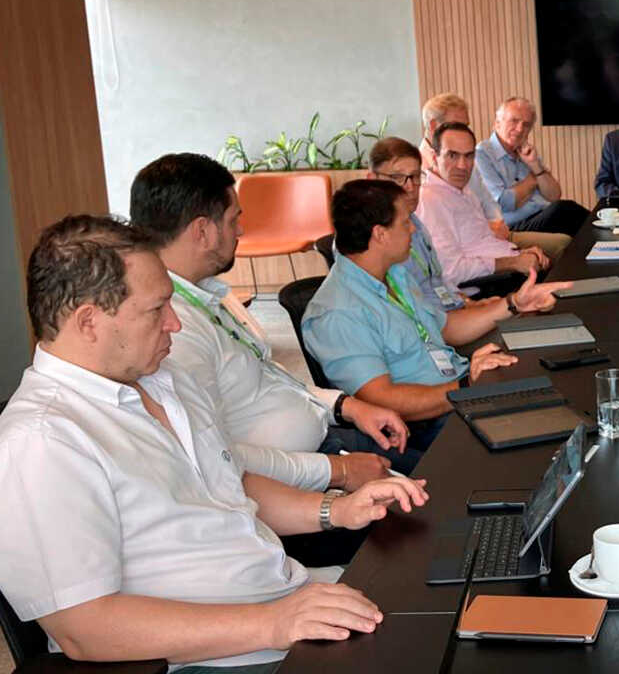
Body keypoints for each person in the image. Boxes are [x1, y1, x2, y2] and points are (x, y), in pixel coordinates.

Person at [0, 215, 428, 671]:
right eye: (156, 309)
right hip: (219, 656)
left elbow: (228, 485)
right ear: (89, 322)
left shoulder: (164, 380)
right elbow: (84, 628)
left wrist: (336, 510)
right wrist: (274, 622)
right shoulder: (43, 441)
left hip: (282, 603)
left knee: (440, 595)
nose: (174, 324)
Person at [129, 153, 411, 478]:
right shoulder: (173, 331)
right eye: (233, 220)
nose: (241, 230)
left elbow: (267, 377)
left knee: (446, 466)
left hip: (326, 436)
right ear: (202, 231)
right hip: (301, 475)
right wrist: (338, 470)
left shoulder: (207, 292)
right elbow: (219, 458)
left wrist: (345, 406)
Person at [303, 178, 518, 437]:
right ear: (380, 234)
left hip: (456, 390)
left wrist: (513, 303)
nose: (414, 230)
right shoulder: (338, 312)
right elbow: (382, 399)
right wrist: (466, 386)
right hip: (427, 424)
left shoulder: (395, 274)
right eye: (406, 222)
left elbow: (446, 327)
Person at [368, 136, 570, 338]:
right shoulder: (381, 240)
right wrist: (505, 294)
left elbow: (439, 279)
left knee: (549, 324)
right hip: (440, 331)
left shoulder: (417, 224)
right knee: (537, 333)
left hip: (454, 313)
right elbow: (428, 311)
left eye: (415, 177)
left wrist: (467, 303)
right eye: (397, 178)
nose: (410, 187)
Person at [419, 92, 571, 260]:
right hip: (475, 243)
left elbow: (487, 200)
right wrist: (534, 178)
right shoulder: (421, 172)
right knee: (563, 214)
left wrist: (497, 222)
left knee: (564, 228)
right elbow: (502, 203)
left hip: (494, 233)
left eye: (466, 126)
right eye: (457, 126)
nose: (520, 129)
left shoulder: (469, 157)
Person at [417, 123, 552, 289]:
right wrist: (514, 262)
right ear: (434, 157)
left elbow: (484, 243)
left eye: (468, 156)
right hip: (489, 284)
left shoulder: (464, 191)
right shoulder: (430, 201)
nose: (462, 165)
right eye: (452, 155)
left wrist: (520, 253)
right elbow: (451, 271)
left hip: (505, 266)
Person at [474, 96, 589, 235]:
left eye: (526, 124)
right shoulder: (482, 154)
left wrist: (535, 166)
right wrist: (532, 180)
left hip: (542, 214)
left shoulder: (525, 151)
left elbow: (554, 195)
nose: (520, 129)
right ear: (497, 123)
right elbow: (505, 203)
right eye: (514, 121)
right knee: (564, 210)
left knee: (568, 215)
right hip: (514, 226)